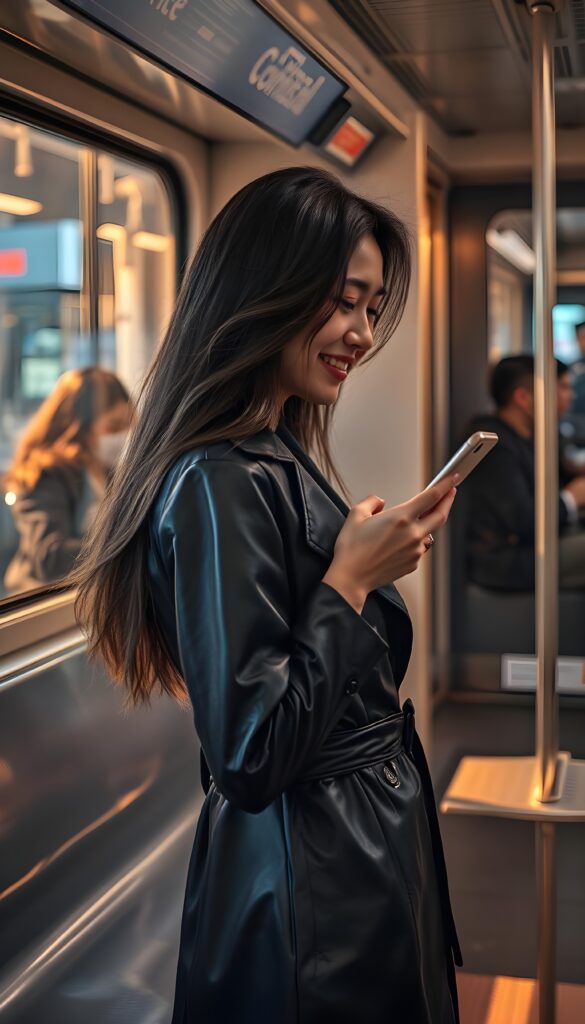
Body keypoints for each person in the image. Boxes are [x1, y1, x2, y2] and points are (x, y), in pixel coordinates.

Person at [73, 167, 461, 1024]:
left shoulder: (273, 451)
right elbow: (251, 754)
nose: (361, 333)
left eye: (371, 308)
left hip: (346, 850)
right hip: (313, 874)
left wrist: (361, 561)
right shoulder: (219, 479)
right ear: (266, 292)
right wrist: (353, 579)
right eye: (345, 302)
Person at [4, 366, 132, 593]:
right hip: (43, 602)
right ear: (78, 427)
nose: (121, 436)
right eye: (113, 426)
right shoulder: (44, 473)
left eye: (127, 425)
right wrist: (125, 548)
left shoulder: (107, 470)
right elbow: (50, 557)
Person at [464, 354, 585, 591]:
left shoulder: (530, 437)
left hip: (530, 547)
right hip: (507, 562)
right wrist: (572, 498)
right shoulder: (496, 445)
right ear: (523, 397)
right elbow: (524, 521)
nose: (570, 396)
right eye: (562, 387)